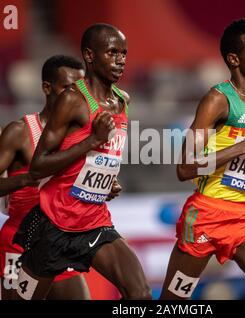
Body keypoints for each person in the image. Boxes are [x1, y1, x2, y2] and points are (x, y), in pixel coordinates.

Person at [160, 18, 245, 300]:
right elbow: (185, 167)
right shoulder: (217, 100)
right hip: (206, 218)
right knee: (173, 302)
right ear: (234, 59)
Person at [13, 24, 151, 300]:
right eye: (112, 53)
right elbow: (39, 166)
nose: (121, 60)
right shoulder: (72, 100)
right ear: (90, 55)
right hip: (54, 225)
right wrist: (90, 141)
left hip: (94, 222)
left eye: (124, 53)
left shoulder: (123, 100)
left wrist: (106, 181)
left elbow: (102, 156)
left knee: (140, 293)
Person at [0, 55, 91, 300]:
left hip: (60, 240)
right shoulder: (19, 132)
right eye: (68, 88)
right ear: (47, 88)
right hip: (20, 241)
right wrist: (27, 179)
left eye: (81, 89)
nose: (76, 96)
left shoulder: (82, 134)